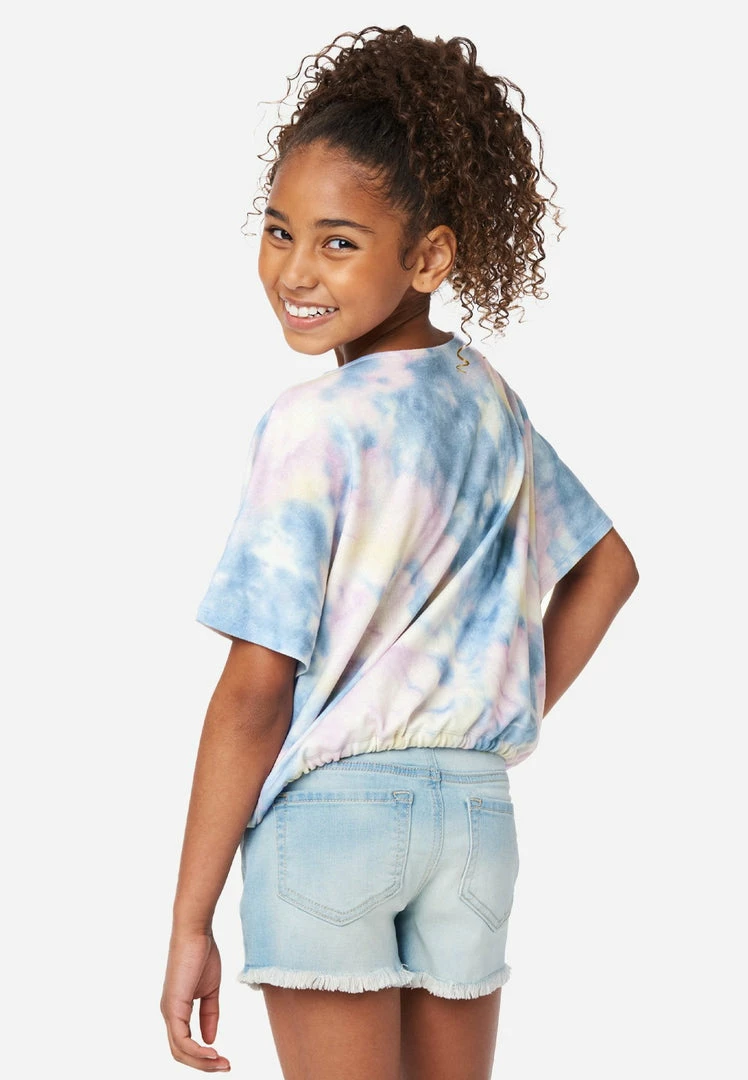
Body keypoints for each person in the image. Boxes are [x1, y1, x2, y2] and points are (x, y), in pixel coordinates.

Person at [160, 25, 639, 1079]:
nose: (294, 269)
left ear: (428, 257)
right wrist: (478, 712)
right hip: (474, 820)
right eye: (279, 231)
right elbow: (609, 568)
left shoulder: (314, 424)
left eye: (338, 243)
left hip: (332, 822)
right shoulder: (487, 400)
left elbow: (254, 690)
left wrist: (190, 919)